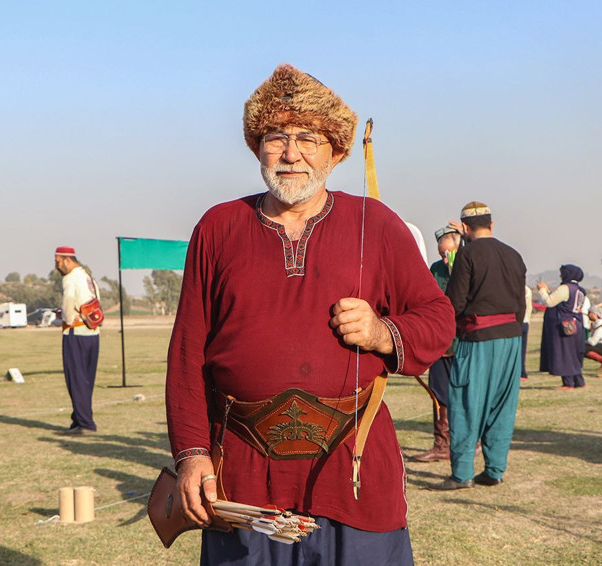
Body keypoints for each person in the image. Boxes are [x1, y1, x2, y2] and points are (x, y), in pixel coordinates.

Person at [165, 64, 454, 566]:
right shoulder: (218, 227)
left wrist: (385, 332)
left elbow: (438, 318)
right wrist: (191, 457)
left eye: (308, 138)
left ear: (336, 153)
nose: (291, 153)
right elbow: (188, 355)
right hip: (245, 474)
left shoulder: (376, 224)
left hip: (351, 471)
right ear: (257, 148)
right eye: (276, 138)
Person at [428, 201, 526, 490]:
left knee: (467, 404)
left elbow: (455, 303)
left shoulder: (467, 255)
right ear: (492, 225)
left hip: (477, 339)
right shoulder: (514, 255)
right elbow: (520, 305)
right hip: (511, 340)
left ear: (466, 229)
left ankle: (461, 474)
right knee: (502, 405)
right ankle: (494, 470)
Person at [412, 225, 462, 462]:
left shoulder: (468, 266)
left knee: (464, 393)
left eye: (449, 252)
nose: (445, 257)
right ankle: (442, 444)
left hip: (464, 342)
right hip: (442, 343)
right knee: (439, 394)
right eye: (442, 253)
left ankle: (467, 441)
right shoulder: (436, 269)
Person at [54, 246, 100, 434]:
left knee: (76, 378)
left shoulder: (70, 279)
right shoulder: (88, 277)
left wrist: (63, 317)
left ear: (67, 259)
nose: (56, 266)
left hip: (76, 333)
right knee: (86, 379)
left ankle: (85, 422)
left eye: (57, 261)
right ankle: (80, 417)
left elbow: (68, 305)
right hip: (93, 333)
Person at [537, 265, 587, 389]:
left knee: (564, 353)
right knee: (573, 354)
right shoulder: (580, 289)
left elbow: (549, 302)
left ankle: (568, 383)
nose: (560, 276)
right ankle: (579, 381)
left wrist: (543, 290)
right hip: (577, 323)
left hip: (566, 325)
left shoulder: (566, 288)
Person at [520, 285, 532, 381]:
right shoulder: (527, 289)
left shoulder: (519, 287)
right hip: (525, 321)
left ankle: (521, 372)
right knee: (522, 349)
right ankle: (522, 372)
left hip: (518, 321)